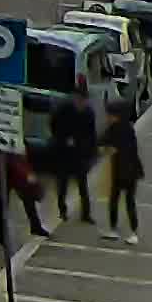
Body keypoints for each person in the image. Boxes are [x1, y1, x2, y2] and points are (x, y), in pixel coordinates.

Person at [48, 87, 100, 224]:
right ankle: (62, 211)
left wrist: (92, 152)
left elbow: (91, 134)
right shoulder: (64, 109)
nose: (81, 103)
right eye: (79, 100)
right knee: (62, 183)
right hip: (64, 151)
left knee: (82, 184)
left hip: (79, 153)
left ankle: (86, 214)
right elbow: (53, 124)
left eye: (83, 101)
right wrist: (62, 139)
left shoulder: (89, 113)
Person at [100, 100, 146, 243]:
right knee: (127, 201)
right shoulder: (127, 128)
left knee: (118, 200)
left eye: (109, 115)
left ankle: (117, 230)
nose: (107, 117)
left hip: (124, 170)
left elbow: (102, 142)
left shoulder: (116, 129)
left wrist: (110, 149)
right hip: (131, 169)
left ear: (116, 115)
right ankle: (132, 232)